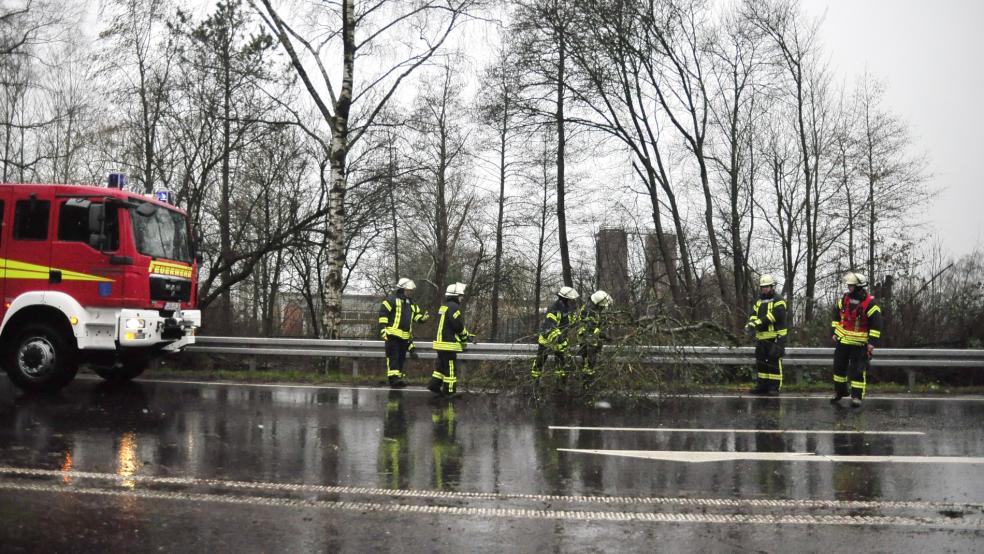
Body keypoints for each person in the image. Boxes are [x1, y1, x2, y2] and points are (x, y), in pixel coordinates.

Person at [830, 272, 883, 407]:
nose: (848, 287)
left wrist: (871, 343)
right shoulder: (844, 299)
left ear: (859, 286)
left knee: (857, 370)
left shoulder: (870, 304)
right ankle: (840, 392)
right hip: (842, 342)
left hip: (860, 344)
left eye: (851, 285)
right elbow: (836, 317)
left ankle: (856, 396)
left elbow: (876, 325)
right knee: (838, 368)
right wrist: (834, 332)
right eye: (848, 285)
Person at [377, 278, 429, 388]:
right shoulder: (391, 299)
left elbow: (416, 316)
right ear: (401, 289)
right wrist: (383, 329)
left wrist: (423, 319)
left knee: (401, 358)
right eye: (408, 290)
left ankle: (398, 379)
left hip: (404, 337)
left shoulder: (411, 303)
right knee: (393, 358)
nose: (410, 292)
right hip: (392, 335)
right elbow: (383, 314)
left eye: (411, 290)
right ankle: (393, 380)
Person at [745, 274, 787, 396]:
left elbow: (774, 316)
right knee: (761, 362)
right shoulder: (758, 301)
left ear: (772, 286)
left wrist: (757, 323)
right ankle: (762, 386)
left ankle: (774, 388)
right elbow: (753, 314)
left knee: (774, 361)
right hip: (762, 337)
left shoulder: (779, 300)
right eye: (763, 287)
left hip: (776, 337)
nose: (764, 289)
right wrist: (751, 324)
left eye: (767, 287)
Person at [429, 282, 472, 397]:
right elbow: (457, 325)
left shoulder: (444, 306)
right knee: (450, 367)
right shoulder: (454, 307)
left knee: (441, 366)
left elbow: (447, 326)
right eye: (460, 296)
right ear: (455, 295)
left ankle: (434, 385)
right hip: (448, 344)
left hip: (440, 343)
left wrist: (464, 334)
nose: (461, 298)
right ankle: (449, 391)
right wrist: (464, 336)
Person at [531, 286, 579, 385]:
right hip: (547, 341)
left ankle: (560, 387)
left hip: (560, 342)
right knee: (539, 364)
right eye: (571, 299)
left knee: (561, 366)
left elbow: (569, 323)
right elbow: (551, 326)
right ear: (565, 299)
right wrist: (561, 340)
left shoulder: (566, 308)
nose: (572, 301)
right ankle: (535, 386)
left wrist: (579, 321)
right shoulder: (553, 308)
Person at [576, 290, 614, 386]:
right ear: (598, 303)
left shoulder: (591, 308)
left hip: (589, 339)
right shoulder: (590, 312)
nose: (602, 308)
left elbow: (596, 326)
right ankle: (586, 383)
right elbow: (592, 329)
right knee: (588, 362)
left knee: (589, 362)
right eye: (602, 306)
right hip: (587, 340)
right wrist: (604, 336)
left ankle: (587, 382)